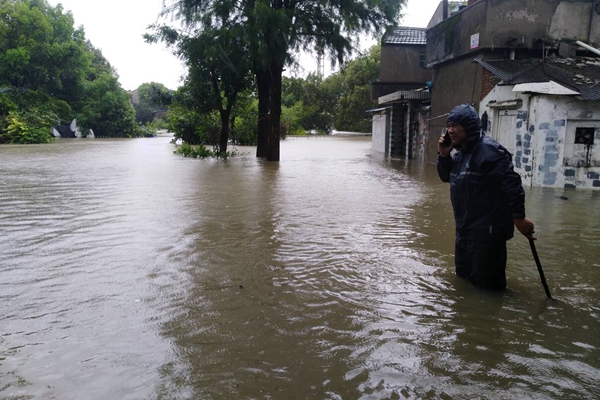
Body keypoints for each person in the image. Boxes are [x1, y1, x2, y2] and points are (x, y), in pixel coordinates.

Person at [437, 104, 535, 290]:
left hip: (487, 236)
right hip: (465, 232)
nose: (450, 130)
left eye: (455, 125)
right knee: (464, 284)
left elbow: (512, 185)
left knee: (487, 290)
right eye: (448, 126)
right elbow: (446, 177)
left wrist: (519, 218)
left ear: (468, 126)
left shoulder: (488, 151)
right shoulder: (460, 154)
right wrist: (443, 155)